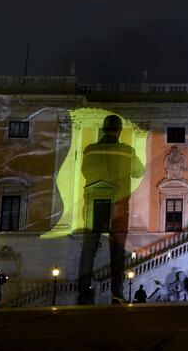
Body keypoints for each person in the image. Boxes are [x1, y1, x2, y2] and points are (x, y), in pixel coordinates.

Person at [78, 115, 144, 304]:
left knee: (88, 250)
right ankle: (116, 293)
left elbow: (84, 171)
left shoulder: (89, 150)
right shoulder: (126, 151)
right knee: (117, 251)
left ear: (104, 129)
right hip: (118, 204)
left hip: (94, 204)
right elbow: (139, 171)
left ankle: (83, 292)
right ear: (119, 131)